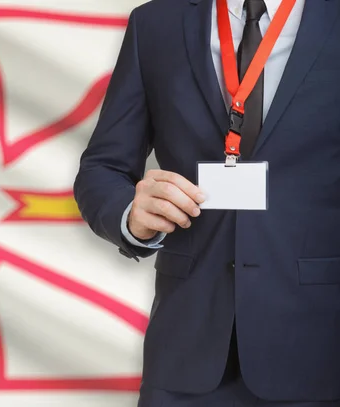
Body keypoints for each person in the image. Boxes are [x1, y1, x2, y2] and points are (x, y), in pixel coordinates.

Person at [73, 0, 340, 405]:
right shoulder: (155, 23)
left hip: (320, 352)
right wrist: (129, 214)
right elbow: (102, 167)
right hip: (185, 354)